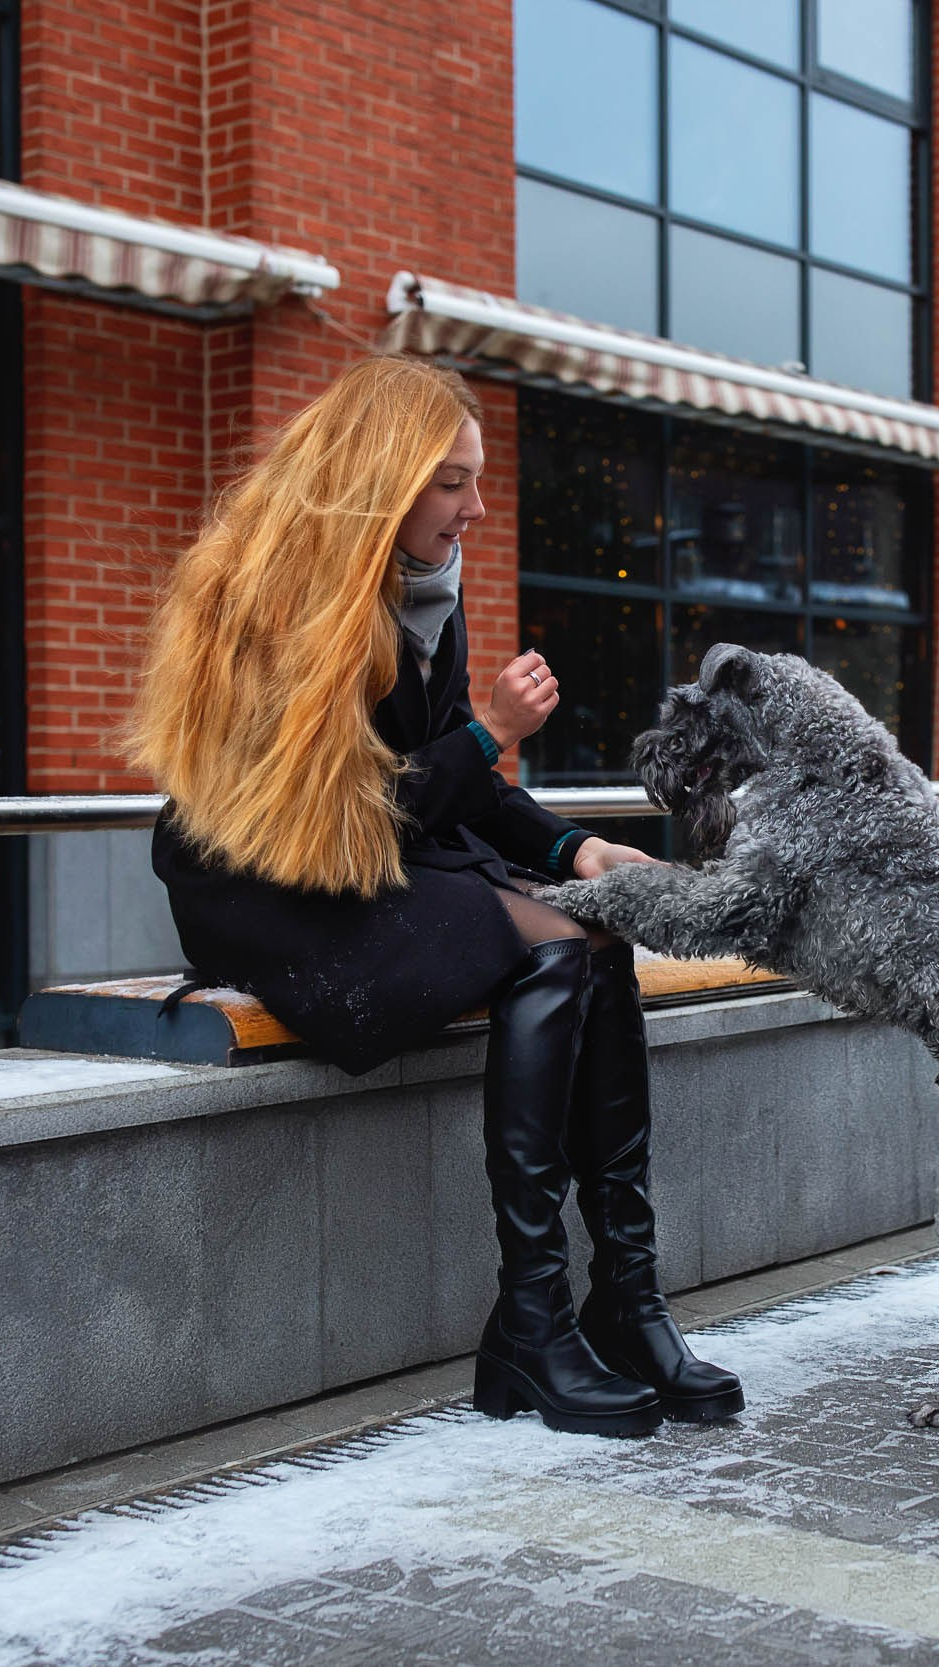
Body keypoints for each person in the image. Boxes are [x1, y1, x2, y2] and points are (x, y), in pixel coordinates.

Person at [126, 354, 741, 1438]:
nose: (477, 506)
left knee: (595, 933)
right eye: (452, 481)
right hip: (271, 889)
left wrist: (576, 848)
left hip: (377, 863)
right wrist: (491, 730)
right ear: (382, 481)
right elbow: (348, 816)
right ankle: (535, 1315)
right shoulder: (275, 603)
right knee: (558, 947)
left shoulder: (422, 595)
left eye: (474, 478)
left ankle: (622, 1295)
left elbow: (452, 788)